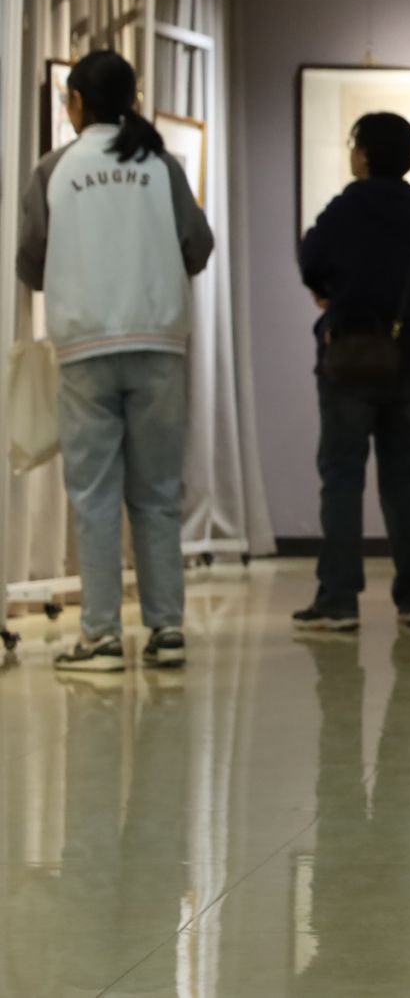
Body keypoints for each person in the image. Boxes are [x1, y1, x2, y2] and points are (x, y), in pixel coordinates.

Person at [16, 49, 213, 673]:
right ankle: (167, 628)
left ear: (76, 102)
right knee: (157, 495)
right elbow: (198, 245)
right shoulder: (162, 165)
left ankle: (100, 636)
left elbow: (30, 260)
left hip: (85, 348)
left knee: (94, 496)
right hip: (158, 345)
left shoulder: (55, 168)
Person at [296, 112, 410, 632]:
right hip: (407, 360)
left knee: (341, 477)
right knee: (404, 478)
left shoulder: (348, 204)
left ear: (365, 154)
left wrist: (332, 292)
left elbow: (311, 258)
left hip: (349, 361)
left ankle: (338, 600)